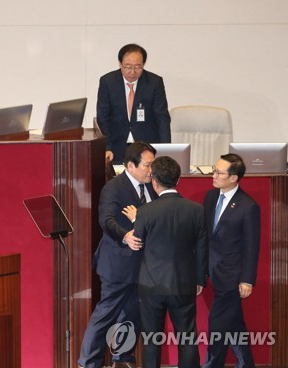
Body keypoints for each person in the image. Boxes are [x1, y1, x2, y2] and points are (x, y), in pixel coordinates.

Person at [78, 142, 157, 368]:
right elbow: (107, 220)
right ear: (130, 165)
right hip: (118, 264)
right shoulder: (115, 187)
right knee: (106, 315)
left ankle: (122, 358)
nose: (151, 170)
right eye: (147, 165)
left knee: (133, 315)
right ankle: (88, 363)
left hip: (144, 267)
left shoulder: (152, 186)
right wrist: (125, 236)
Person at [129, 156, 207, 368]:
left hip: (151, 285)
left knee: (151, 341)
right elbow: (201, 248)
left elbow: (138, 242)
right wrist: (200, 279)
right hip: (184, 283)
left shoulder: (145, 211)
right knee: (187, 338)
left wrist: (136, 222)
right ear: (178, 179)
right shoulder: (197, 210)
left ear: (154, 181)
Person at [202, 154, 260, 368]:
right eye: (214, 170)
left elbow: (252, 246)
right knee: (233, 323)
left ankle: (211, 364)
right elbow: (206, 237)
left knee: (217, 325)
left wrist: (247, 279)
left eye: (219, 172)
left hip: (232, 277)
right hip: (212, 271)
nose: (213, 175)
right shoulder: (210, 197)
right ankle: (246, 364)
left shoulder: (248, 206)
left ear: (234, 177)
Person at [96, 43, 171, 164]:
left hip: (146, 147)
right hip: (116, 146)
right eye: (128, 67)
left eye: (138, 67)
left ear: (143, 65)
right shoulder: (107, 82)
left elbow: (162, 117)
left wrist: (166, 150)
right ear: (120, 64)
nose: (132, 72)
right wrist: (107, 147)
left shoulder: (154, 82)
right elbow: (103, 117)